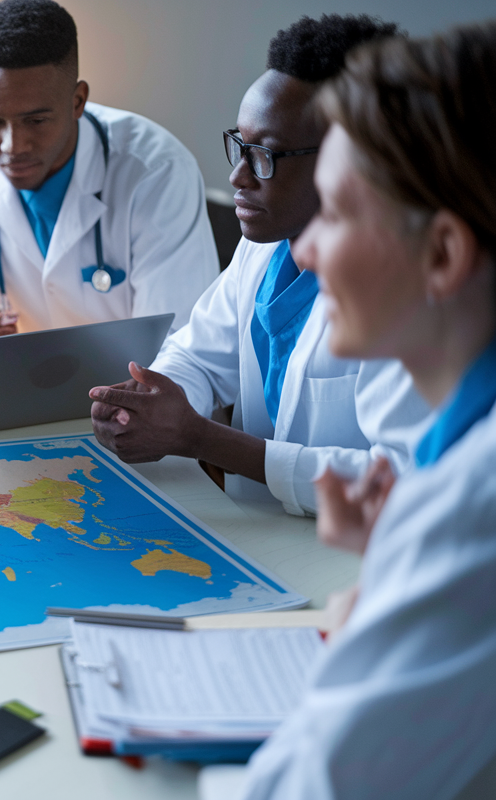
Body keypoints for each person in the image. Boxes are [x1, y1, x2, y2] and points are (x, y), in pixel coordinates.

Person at [236, 21, 496, 798]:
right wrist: (391, 560)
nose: (305, 252)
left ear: (443, 255)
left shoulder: (473, 510)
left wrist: (372, 608)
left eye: (338, 215)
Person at [90, 15, 430, 517]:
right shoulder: (269, 243)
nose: (237, 176)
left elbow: (399, 481)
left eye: (265, 156)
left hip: (360, 558)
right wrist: (146, 403)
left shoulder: (415, 287)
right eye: (240, 146)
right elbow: (201, 355)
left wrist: (201, 438)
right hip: (264, 534)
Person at [0, 0, 219, 367]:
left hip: (134, 405)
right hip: (19, 396)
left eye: (36, 120)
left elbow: (178, 340)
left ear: (78, 101)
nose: (12, 145)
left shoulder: (156, 171)